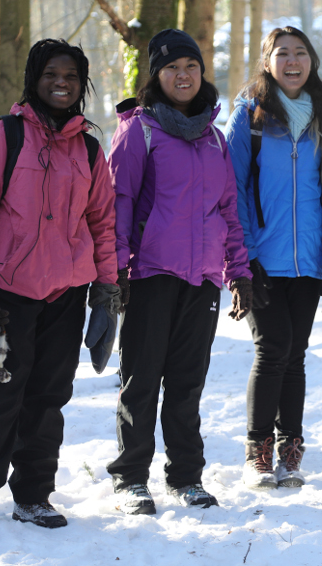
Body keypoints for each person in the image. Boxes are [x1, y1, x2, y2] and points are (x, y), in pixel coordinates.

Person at [0, 39, 119, 542]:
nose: (61, 82)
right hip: (7, 292)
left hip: (67, 293)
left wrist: (107, 288)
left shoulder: (89, 147)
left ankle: (32, 496)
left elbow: (103, 222)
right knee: (0, 398)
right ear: (34, 79)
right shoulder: (4, 137)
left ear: (81, 83)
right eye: (51, 74)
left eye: (71, 75)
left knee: (48, 397)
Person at [107, 29, 252, 514]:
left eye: (190, 66)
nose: (183, 75)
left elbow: (228, 209)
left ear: (201, 72)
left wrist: (239, 272)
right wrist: (117, 270)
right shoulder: (139, 130)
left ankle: (186, 477)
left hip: (204, 277)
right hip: (149, 274)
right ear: (158, 76)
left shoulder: (213, 136)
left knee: (187, 383)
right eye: (172, 68)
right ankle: (130, 478)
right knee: (142, 379)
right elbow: (119, 203)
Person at [224, 27, 322, 490]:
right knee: (272, 348)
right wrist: (244, 259)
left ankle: (290, 450)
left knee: (294, 355)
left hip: (309, 261)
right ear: (267, 62)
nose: (293, 61)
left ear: (312, 62)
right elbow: (232, 191)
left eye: (301, 53)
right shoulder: (249, 119)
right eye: (283, 53)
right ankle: (257, 450)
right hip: (262, 260)